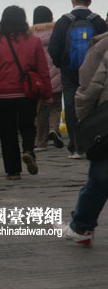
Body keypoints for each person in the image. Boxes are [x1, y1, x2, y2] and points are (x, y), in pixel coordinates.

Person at [0, 6, 52, 180]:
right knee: (28, 126)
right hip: (27, 93)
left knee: (7, 132)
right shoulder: (34, 41)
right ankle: (28, 150)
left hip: (2, 94)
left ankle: (13, 172)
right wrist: (47, 95)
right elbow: (43, 70)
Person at [55, 32, 108, 245]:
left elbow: (90, 87)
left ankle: (81, 227)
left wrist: (85, 122)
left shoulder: (101, 47)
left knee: (100, 177)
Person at [48, 0, 107, 158]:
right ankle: (95, 142)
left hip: (69, 70)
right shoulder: (97, 21)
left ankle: (75, 146)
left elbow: (53, 48)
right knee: (95, 103)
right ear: (90, 2)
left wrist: (61, 64)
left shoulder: (63, 21)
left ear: (72, 0)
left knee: (71, 106)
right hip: (94, 69)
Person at [29, 6, 64, 151]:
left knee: (40, 110)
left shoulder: (29, 35)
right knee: (55, 106)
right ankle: (54, 129)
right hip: (56, 74)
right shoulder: (57, 31)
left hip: (38, 77)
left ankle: (40, 141)